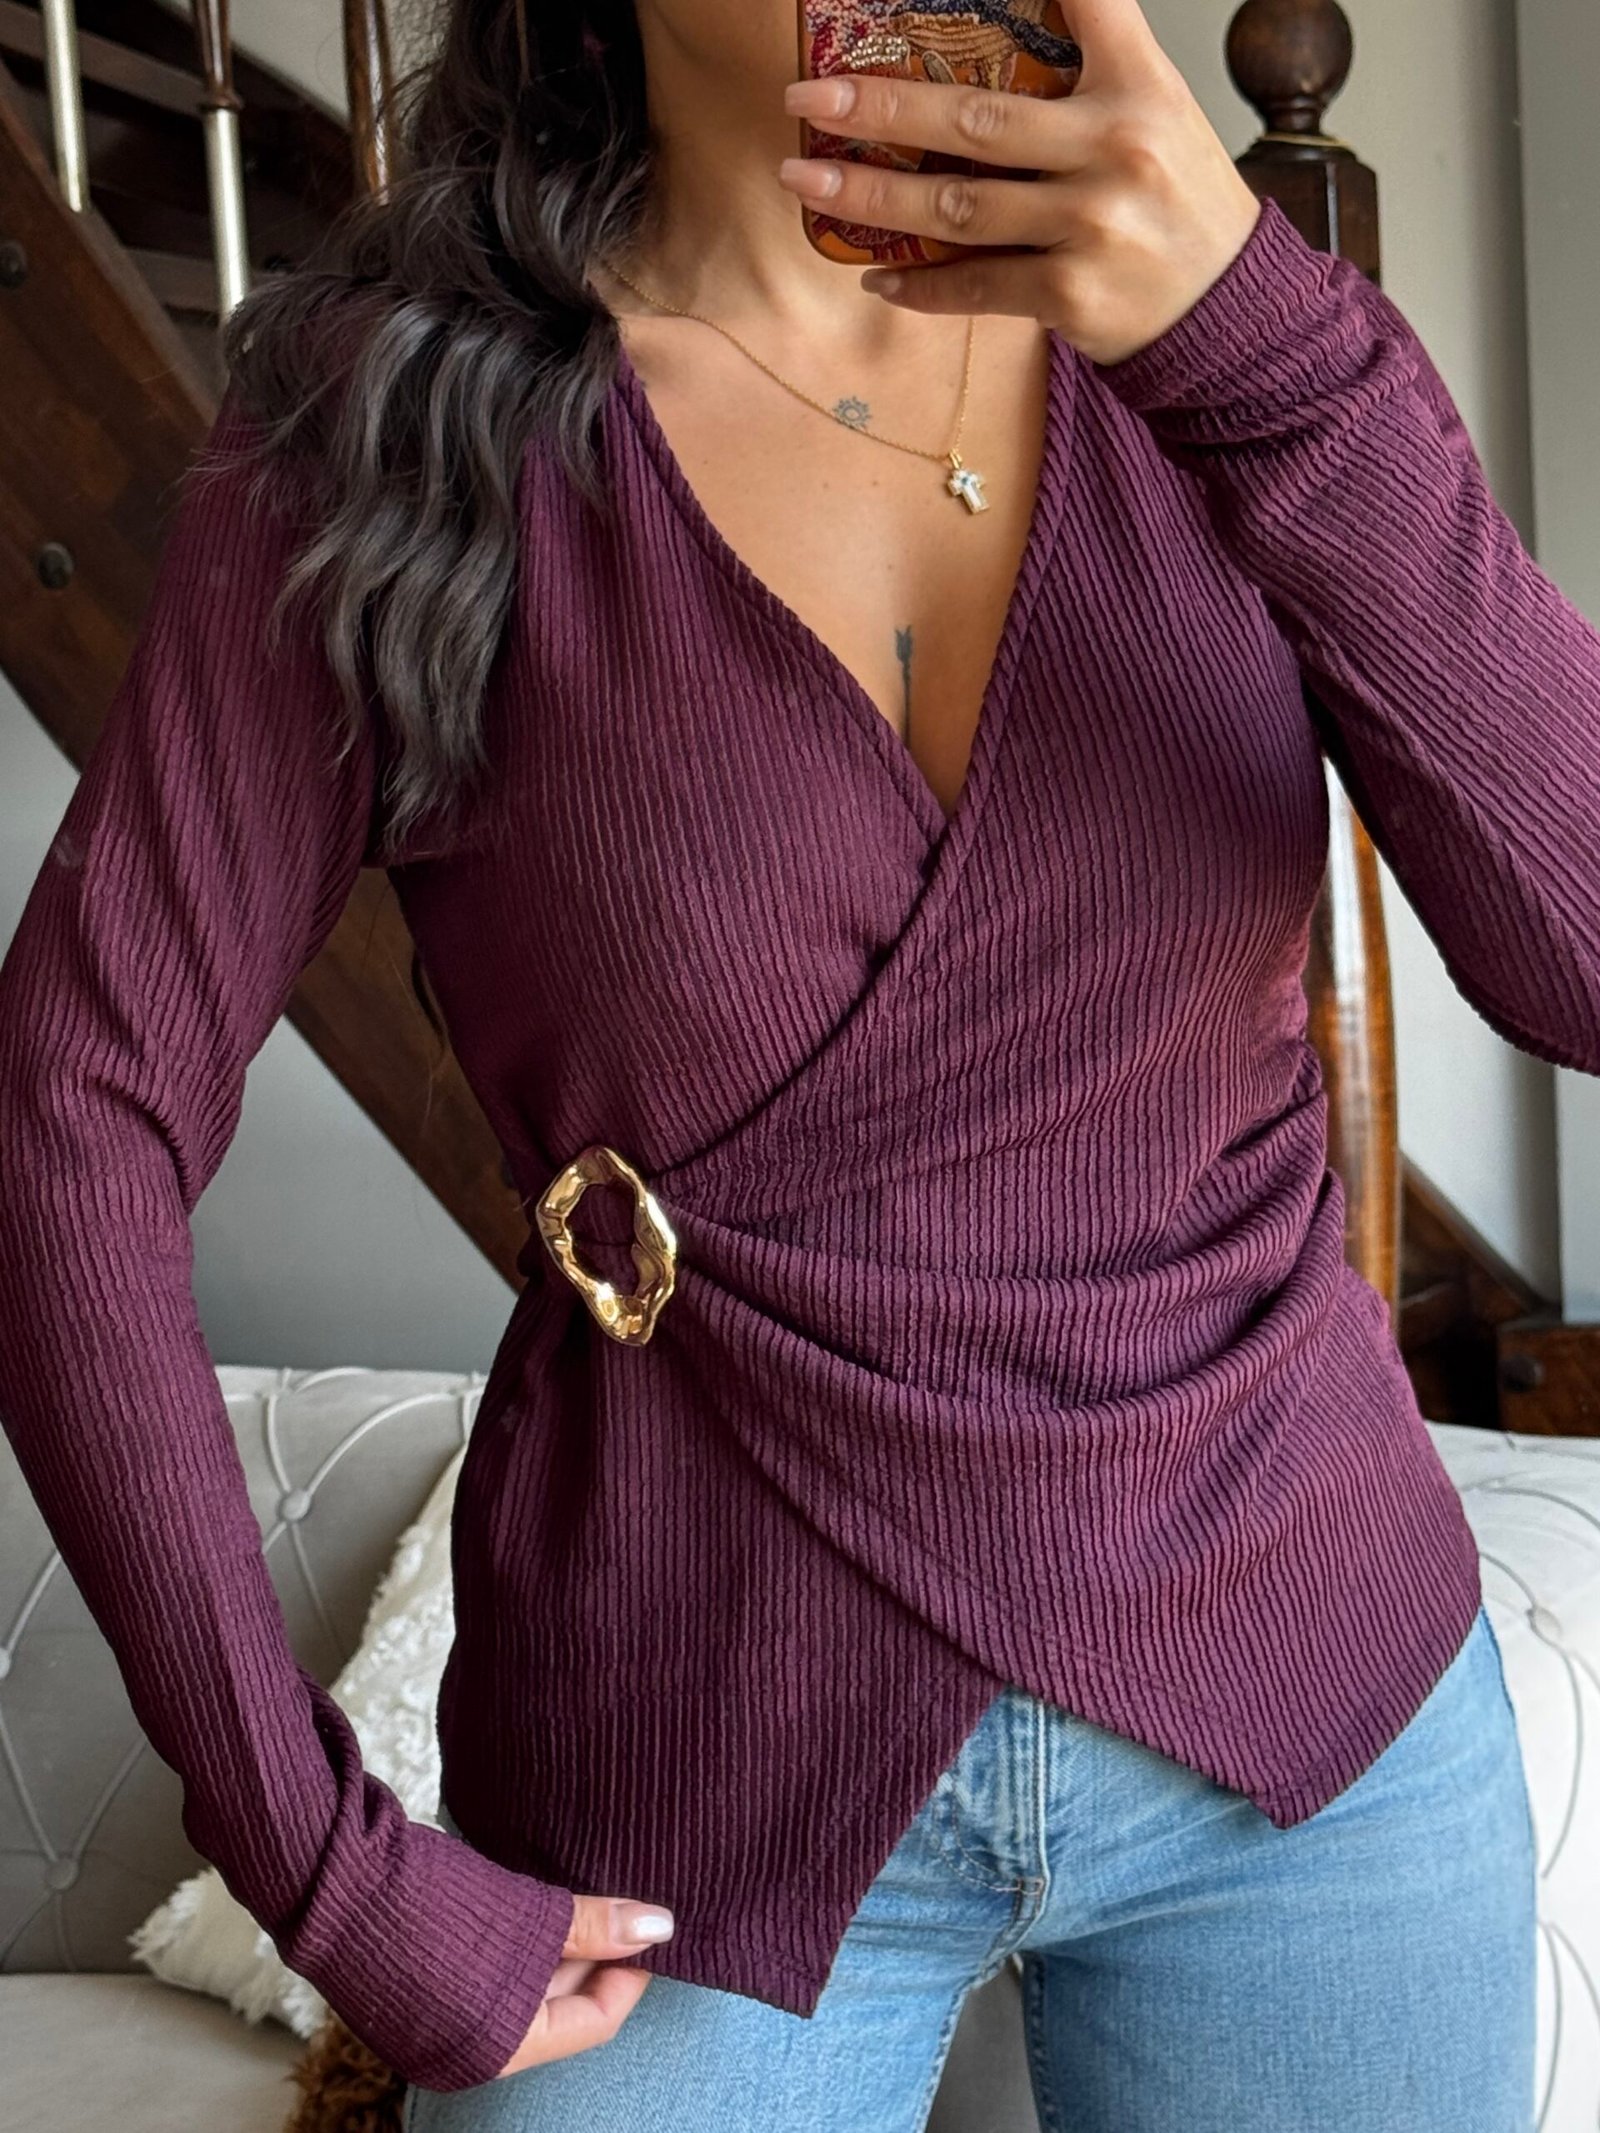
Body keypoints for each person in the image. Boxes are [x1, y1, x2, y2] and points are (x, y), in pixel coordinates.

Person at [3, 0, 1590, 2126]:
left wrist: (1259, 353)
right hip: (685, 1771)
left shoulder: (1226, 331)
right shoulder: (385, 420)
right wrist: (311, 1849)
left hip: (1311, 1704)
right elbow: (70, 1116)